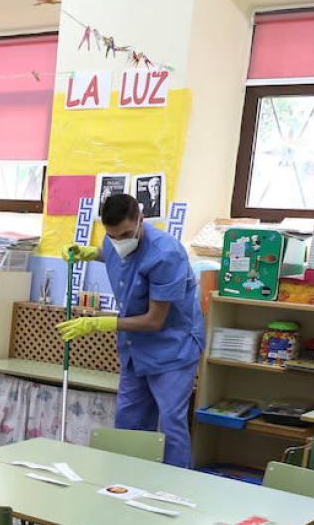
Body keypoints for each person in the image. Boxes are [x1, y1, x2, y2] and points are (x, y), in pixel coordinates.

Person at [57, 193, 204, 467]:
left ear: (141, 221)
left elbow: (154, 321)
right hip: (135, 348)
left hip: (173, 347)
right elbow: (118, 256)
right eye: (112, 236)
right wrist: (92, 253)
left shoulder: (165, 254)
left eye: (125, 234)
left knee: (169, 422)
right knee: (129, 419)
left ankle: (175, 488)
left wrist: (99, 323)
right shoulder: (115, 239)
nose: (118, 242)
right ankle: (126, 483)